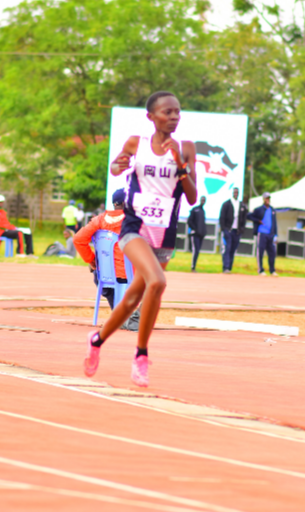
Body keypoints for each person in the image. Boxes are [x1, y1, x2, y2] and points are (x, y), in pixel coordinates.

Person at [83, 91, 197, 387]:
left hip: (164, 231)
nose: (173, 117)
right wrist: (118, 165)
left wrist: (179, 165)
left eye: (177, 112)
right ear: (151, 117)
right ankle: (141, 355)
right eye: (167, 112)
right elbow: (116, 166)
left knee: (136, 295)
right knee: (157, 283)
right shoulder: (137, 143)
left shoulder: (185, 148)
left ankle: (97, 340)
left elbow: (193, 196)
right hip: (135, 228)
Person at [73, 189, 140, 331]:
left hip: (103, 275)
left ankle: (119, 315)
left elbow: (78, 239)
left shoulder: (99, 220)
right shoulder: (133, 220)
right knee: (156, 280)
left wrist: (92, 261)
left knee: (98, 275)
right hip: (129, 276)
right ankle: (133, 320)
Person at [247, 192, 278, 276]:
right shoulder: (259, 209)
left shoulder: (272, 210)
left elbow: (274, 223)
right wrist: (258, 220)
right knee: (260, 251)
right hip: (262, 233)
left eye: (268, 198)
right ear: (263, 199)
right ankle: (261, 269)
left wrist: (276, 235)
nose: (267, 200)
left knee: (272, 252)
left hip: (270, 234)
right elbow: (249, 216)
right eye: (266, 198)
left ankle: (272, 270)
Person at [219, 187, 248, 273]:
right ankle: (226, 267)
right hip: (228, 230)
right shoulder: (226, 204)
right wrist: (224, 229)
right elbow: (222, 217)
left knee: (233, 249)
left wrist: (241, 229)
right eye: (234, 192)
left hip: (237, 231)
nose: (236, 193)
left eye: (237, 192)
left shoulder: (241, 205)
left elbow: (244, 218)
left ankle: (230, 267)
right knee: (227, 248)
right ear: (232, 193)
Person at [187, 196, 207, 272]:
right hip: (195, 234)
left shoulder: (203, 211)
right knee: (195, 250)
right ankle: (193, 267)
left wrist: (203, 232)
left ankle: (194, 266)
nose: (203, 201)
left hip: (201, 234)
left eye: (204, 200)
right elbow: (190, 221)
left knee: (197, 250)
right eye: (202, 199)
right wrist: (194, 229)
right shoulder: (195, 209)